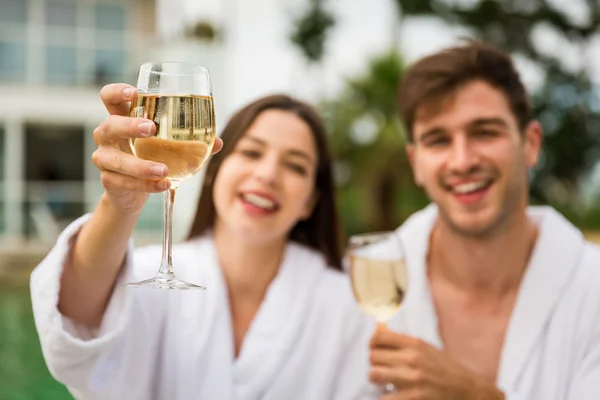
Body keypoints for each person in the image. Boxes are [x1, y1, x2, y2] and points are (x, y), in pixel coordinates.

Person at [30, 87, 375, 399]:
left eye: (295, 166)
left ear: (311, 201)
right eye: (252, 153)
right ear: (212, 169)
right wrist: (119, 205)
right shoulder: (151, 273)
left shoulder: (346, 302)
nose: (268, 175)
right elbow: (76, 313)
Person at [367, 41, 600, 399]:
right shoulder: (367, 282)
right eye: (438, 140)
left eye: (485, 132)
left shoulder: (592, 288)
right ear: (416, 163)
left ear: (531, 143)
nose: (462, 161)